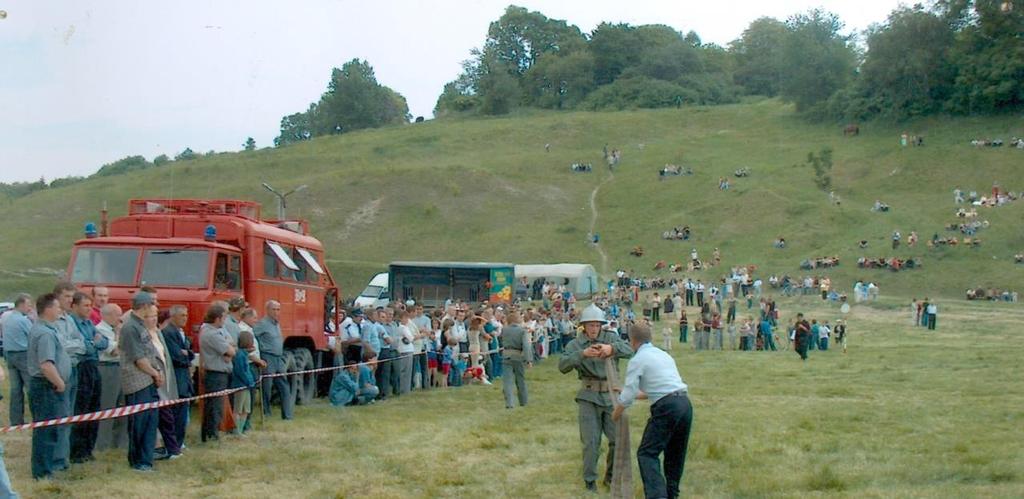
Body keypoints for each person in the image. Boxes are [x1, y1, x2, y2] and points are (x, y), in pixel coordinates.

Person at [612, 323, 692, 499]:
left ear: (632, 341)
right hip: (684, 404)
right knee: (675, 454)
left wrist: (615, 414)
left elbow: (628, 397)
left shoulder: (638, 359)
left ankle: (657, 496)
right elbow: (657, 390)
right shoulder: (663, 355)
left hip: (667, 408)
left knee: (647, 453)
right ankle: (672, 494)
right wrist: (626, 391)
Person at [559, 304, 634, 492]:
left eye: (597, 325)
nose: (594, 329)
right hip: (588, 396)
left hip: (611, 396)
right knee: (591, 442)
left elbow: (630, 349)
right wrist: (582, 354)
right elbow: (563, 366)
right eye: (590, 325)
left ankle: (611, 477)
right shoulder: (575, 344)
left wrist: (611, 349)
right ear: (583, 326)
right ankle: (590, 481)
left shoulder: (610, 337)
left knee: (617, 440)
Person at [118, 293, 165, 471]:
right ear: (144, 306)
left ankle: (147, 458)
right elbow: (138, 358)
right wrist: (155, 373)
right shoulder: (130, 327)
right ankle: (138, 461)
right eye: (152, 304)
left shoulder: (140, 325)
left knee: (150, 423)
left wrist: (156, 373)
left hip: (149, 379)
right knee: (139, 423)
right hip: (137, 382)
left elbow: (149, 353)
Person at [27, 293, 71, 480]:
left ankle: (47, 467)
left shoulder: (47, 329)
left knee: (50, 430)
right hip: (46, 387)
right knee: (46, 431)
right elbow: (46, 364)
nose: (60, 310)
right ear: (48, 309)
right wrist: (59, 383)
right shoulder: (44, 333)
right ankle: (43, 472)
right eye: (58, 307)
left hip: (47, 386)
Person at [69, 291, 109, 463]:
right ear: (74, 306)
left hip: (94, 366)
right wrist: (94, 343)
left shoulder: (89, 323)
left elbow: (105, 342)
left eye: (90, 305)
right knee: (81, 408)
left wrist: (93, 343)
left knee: (94, 408)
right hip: (82, 366)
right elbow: (84, 346)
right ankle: (77, 450)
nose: (89, 309)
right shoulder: (71, 323)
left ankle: (88, 448)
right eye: (85, 305)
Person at [95, 303, 127, 451]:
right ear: (107, 315)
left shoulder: (115, 330)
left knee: (122, 405)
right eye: (117, 314)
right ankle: (103, 443)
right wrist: (120, 334)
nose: (120, 319)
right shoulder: (100, 330)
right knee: (107, 406)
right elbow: (114, 351)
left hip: (120, 368)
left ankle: (119, 441)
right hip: (107, 368)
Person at [199, 304, 234, 443]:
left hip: (221, 371)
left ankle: (212, 432)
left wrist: (229, 351)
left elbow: (232, 344)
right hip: (215, 373)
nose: (225, 321)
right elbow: (231, 350)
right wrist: (229, 351)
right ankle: (211, 434)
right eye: (224, 318)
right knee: (214, 405)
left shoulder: (219, 331)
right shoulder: (211, 333)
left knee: (217, 404)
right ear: (218, 318)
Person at [255, 300, 293, 420]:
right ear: (268, 310)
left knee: (284, 386)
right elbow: (252, 335)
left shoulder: (276, 324)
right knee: (267, 386)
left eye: (278, 309)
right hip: (268, 356)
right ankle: (266, 412)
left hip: (279, 357)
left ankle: (287, 415)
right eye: (274, 309)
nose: (276, 312)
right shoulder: (262, 324)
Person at [3, 293, 33, 426]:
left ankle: (15, 420)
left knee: (15, 390)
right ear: (21, 304)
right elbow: (33, 336)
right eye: (28, 305)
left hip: (9, 354)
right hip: (23, 355)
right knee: (30, 387)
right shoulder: (23, 320)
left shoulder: (6, 318)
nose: (30, 308)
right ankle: (37, 417)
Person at [501, 311, 533, 409]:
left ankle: (509, 403)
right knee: (520, 380)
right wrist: (528, 360)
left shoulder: (504, 330)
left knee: (507, 381)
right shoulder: (522, 331)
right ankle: (523, 401)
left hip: (506, 355)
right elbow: (526, 346)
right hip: (517, 355)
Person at [229, 330, 258, 433]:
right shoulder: (240, 355)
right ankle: (236, 430)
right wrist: (250, 382)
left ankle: (241, 430)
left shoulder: (245, 354)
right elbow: (241, 371)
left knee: (246, 409)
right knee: (238, 408)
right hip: (240, 386)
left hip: (247, 386)